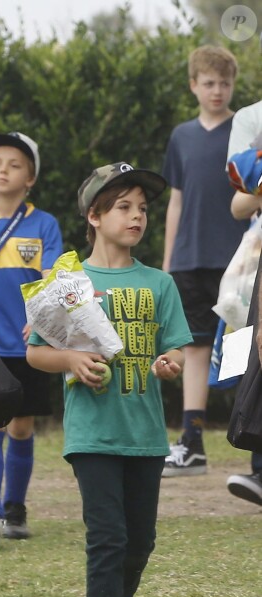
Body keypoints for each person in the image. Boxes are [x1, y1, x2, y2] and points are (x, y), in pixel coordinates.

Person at [26, 162, 192, 597]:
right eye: (124, 207)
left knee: (140, 540)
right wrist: (73, 359)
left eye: (142, 208)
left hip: (145, 436)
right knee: (108, 535)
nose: (137, 216)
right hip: (93, 434)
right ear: (94, 216)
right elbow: (35, 352)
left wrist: (170, 365)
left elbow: (177, 352)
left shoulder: (159, 282)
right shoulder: (67, 281)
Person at [0, 132, 64, 547]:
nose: (3, 169)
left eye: (15, 164)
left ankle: (16, 507)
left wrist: (41, 321)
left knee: (21, 428)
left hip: (29, 346)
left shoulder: (43, 224)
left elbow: (53, 280)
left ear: (30, 179)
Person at [161, 45, 249, 477]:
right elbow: (176, 201)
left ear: (234, 86)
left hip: (241, 260)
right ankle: (191, 442)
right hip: (190, 259)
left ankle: (254, 446)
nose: (217, 91)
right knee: (194, 348)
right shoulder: (181, 136)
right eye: (209, 83)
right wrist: (167, 262)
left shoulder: (249, 130)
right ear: (194, 85)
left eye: (225, 83)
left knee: (247, 348)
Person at [224, 98, 262, 505]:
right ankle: (258, 464)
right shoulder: (253, 124)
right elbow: (238, 203)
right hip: (254, 264)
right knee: (248, 351)